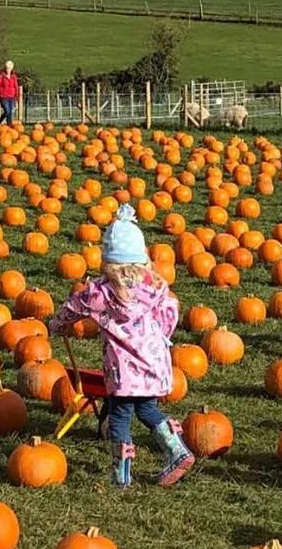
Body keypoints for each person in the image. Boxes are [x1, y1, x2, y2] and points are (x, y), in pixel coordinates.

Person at [49, 204, 193, 488]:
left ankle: (121, 477)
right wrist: (162, 336)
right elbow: (170, 310)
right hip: (153, 365)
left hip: (123, 373)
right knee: (148, 411)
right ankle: (177, 449)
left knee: (119, 417)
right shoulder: (154, 286)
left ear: (109, 261)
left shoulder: (101, 292)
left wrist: (57, 326)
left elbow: (72, 307)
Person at [0, 60, 19, 125]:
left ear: (12, 68)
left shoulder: (14, 76)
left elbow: (16, 87)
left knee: (10, 111)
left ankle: (9, 125)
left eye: (9, 68)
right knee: (7, 111)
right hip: (3, 97)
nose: (8, 70)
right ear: (5, 68)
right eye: (7, 68)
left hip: (11, 97)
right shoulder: (1, 76)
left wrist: (17, 97)